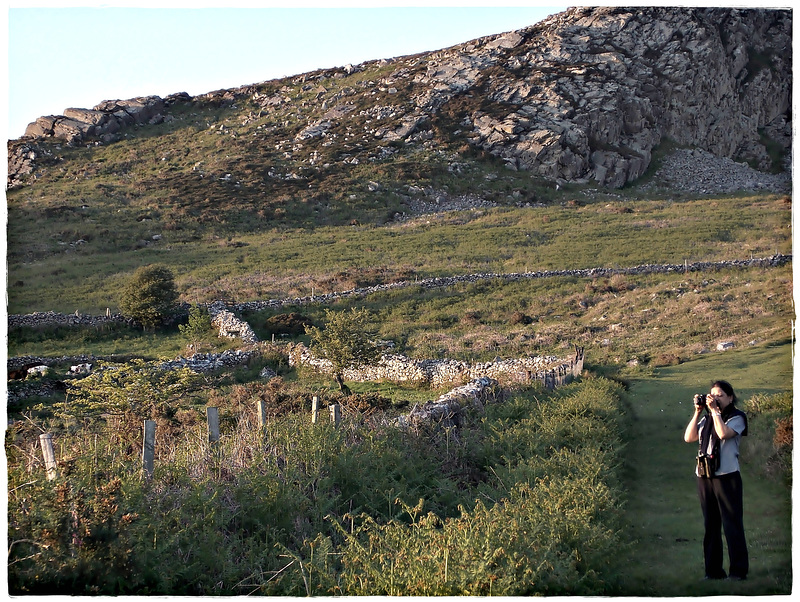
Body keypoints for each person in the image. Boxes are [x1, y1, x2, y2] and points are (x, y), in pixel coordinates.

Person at [683, 380, 749, 581]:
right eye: (713, 394)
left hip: (727, 477)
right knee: (711, 524)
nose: (716, 398)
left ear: (730, 397)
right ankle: (713, 572)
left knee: (731, 524)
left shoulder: (737, 417)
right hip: (704, 477)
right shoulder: (706, 418)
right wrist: (697, 412)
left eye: (720, 395)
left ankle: (738, 572)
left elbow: (723, 433)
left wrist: (715, 412)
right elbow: (689, 437)